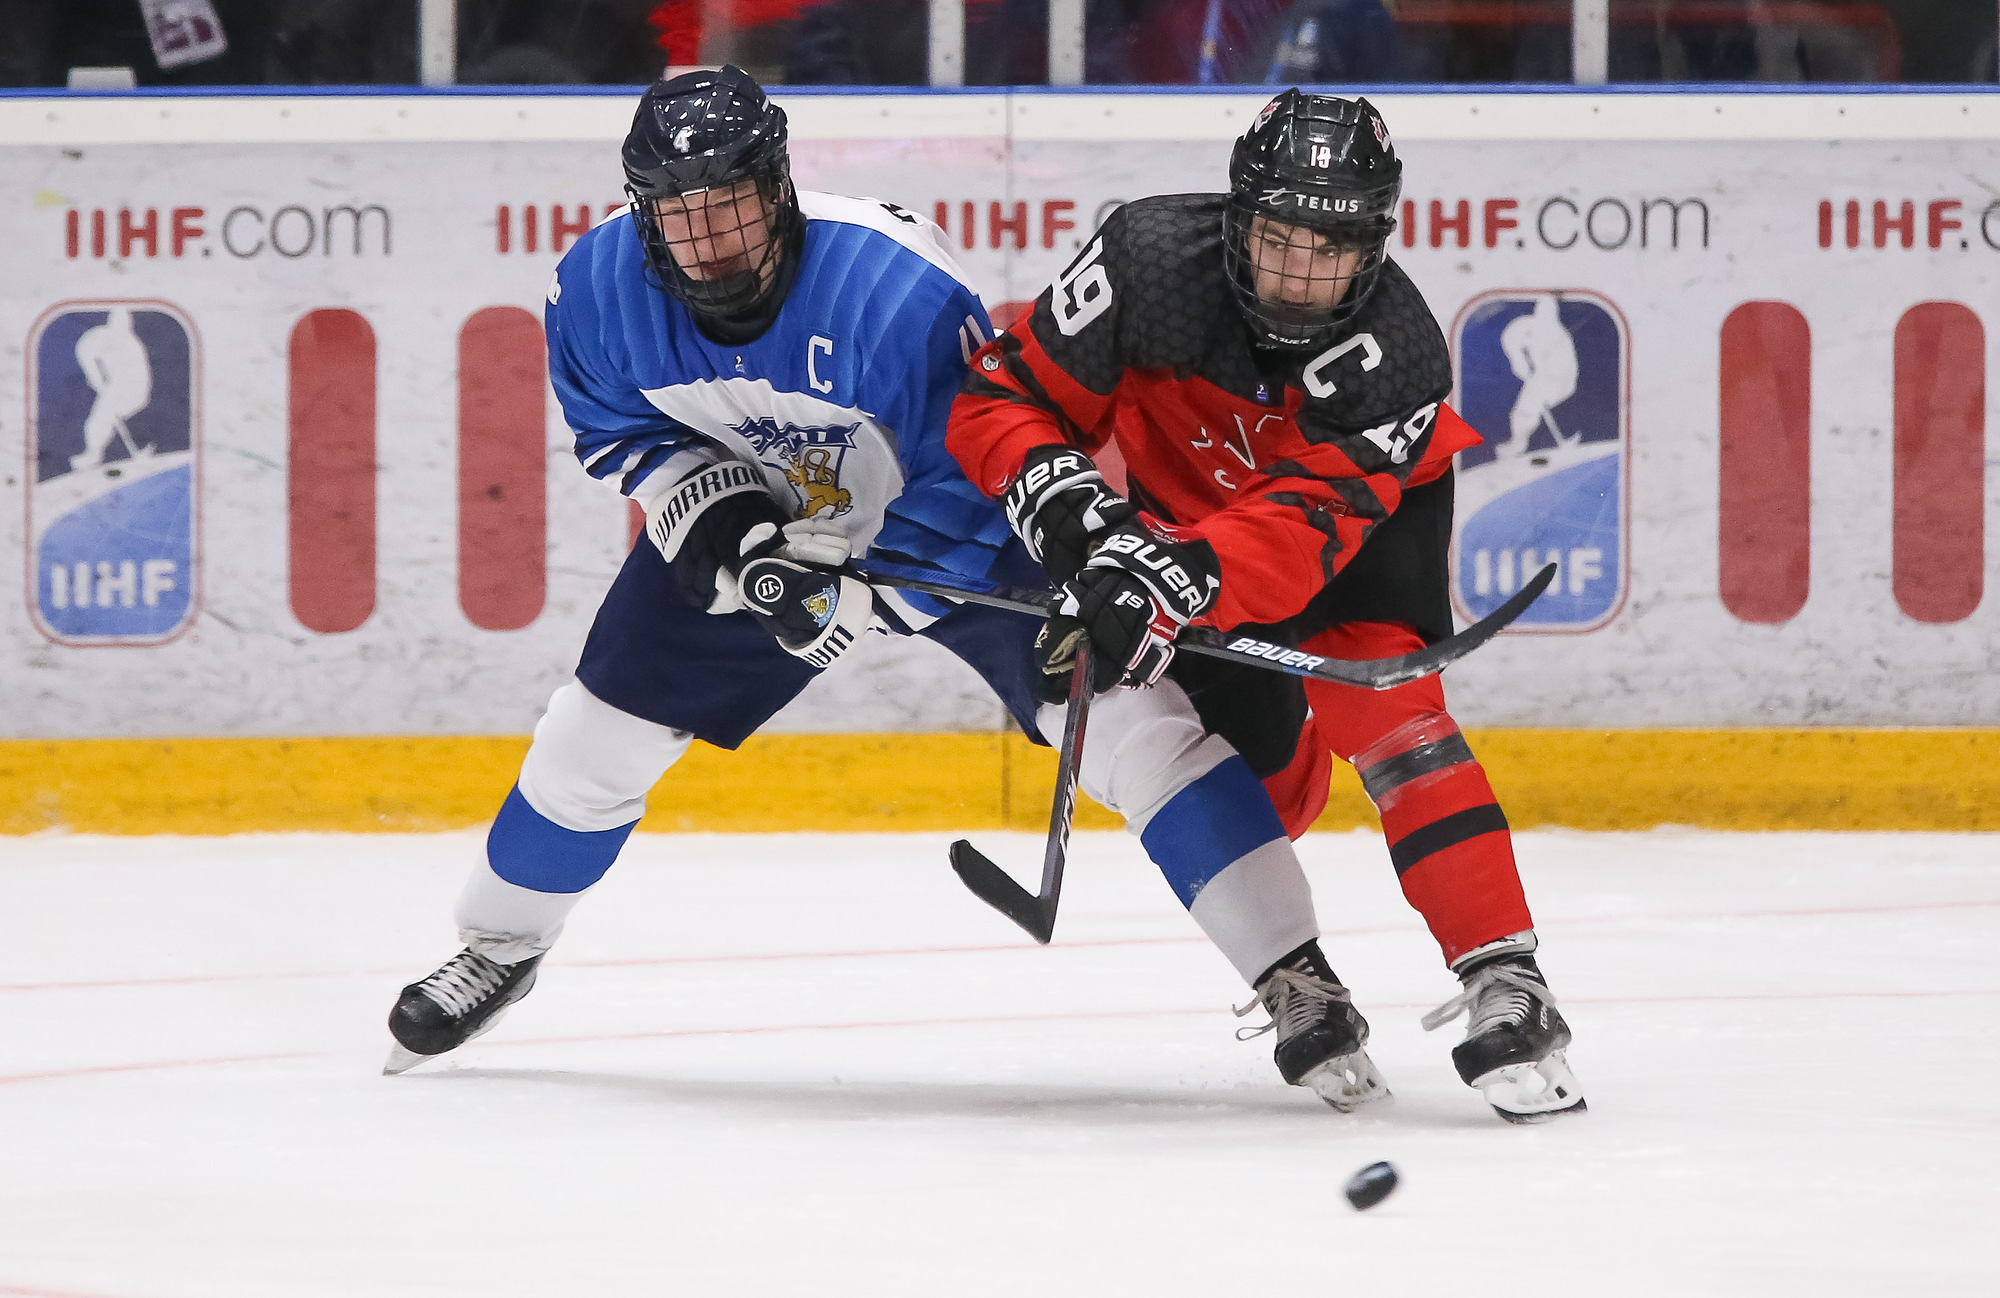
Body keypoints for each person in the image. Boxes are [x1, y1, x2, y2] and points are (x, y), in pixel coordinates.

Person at [382, 66, 1053, 1074]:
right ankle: (499, 945)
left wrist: (878, 589)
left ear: (777, 189)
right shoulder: (599, 287)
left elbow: (972, 455)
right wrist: (731, 532)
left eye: (728, 207)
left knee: (1130, 710)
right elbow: (629, 438)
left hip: (932, 521)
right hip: (778, 524)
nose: (706, 241)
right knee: (585, 740)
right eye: (678, 215)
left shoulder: (891, 281)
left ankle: (1280, 964)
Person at [946, 89, 1586, 1122]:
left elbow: (1294, 537)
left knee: (1390, 721)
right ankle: (1293, 977)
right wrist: (1077, 522)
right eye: (1276, 238)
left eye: (1326, 248)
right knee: (1253, 785)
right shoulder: (1145, 260)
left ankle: (1506, 978)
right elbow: (1002, 396)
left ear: (1374, 242)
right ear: (1235, 215)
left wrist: (1166, 575)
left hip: (1355, 546)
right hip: (1172, 531)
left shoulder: (1397, 353)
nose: (1296, 274)